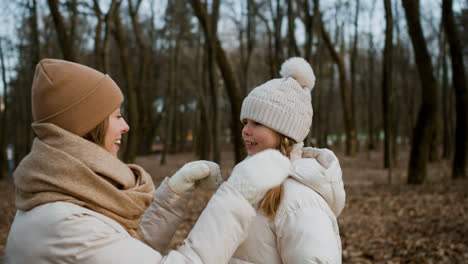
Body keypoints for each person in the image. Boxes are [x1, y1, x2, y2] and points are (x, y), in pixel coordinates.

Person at [5, 58, 292, 264]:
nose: (126, 126)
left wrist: (173, 196)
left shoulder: (57, 196)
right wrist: (237, 196)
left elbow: (123, 249)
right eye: (117, 116)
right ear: (88, 125)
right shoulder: (64, 224)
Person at [229, 57, 346, 263]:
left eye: (257, 123)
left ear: (284, 132)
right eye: (245, 122)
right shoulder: (248, 184)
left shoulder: (300, 202)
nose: (245, 131)